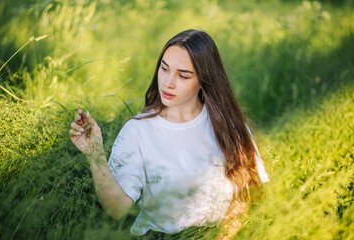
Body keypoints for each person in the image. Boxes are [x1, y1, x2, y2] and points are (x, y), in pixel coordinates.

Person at [69, 29, 269, 239]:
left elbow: (245, 196)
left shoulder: (228, 126)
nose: (168, 82)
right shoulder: (138, 131)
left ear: (204, 80)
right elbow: (117, 209)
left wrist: (222, 237)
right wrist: (95, 155)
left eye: (183, 75)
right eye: (164, 69)